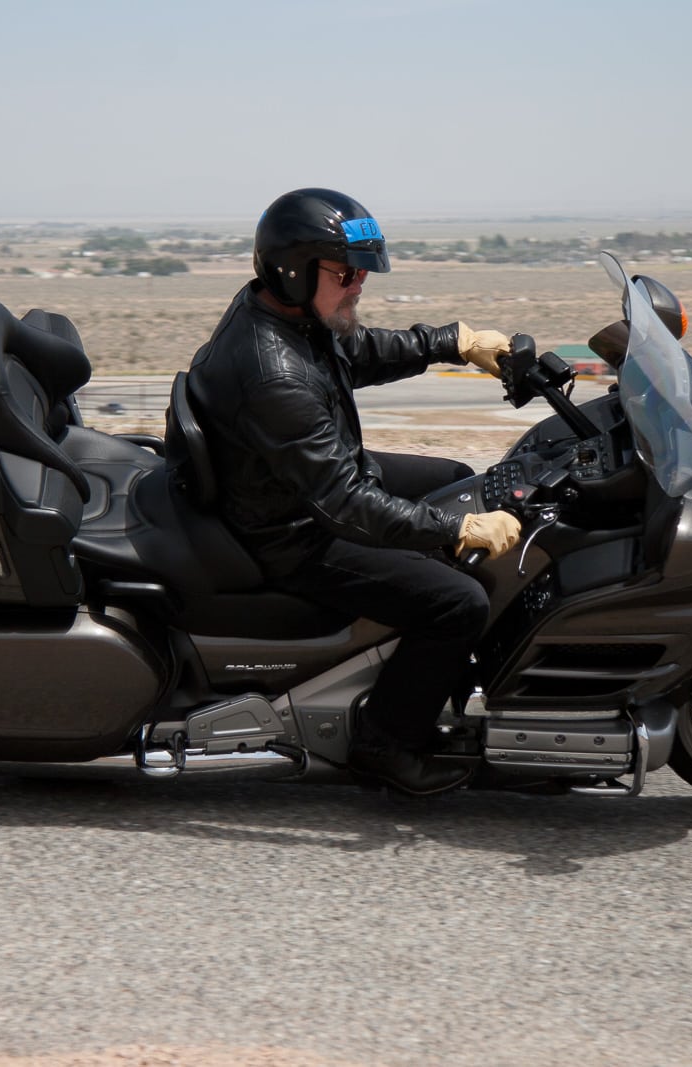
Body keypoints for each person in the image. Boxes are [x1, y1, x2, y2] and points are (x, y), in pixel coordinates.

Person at [185, 187, 522, 795]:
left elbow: (356, 351)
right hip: (294, 534)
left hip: (296, 484)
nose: (360, 283)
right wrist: (454, 531)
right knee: (458, 603)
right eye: (346, 273)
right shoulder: (274, 374)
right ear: (294, 271)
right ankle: (385, 743)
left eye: (362, 270)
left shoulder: (283, 313)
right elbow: (343, 503)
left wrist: (453, 341)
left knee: (455, 478)